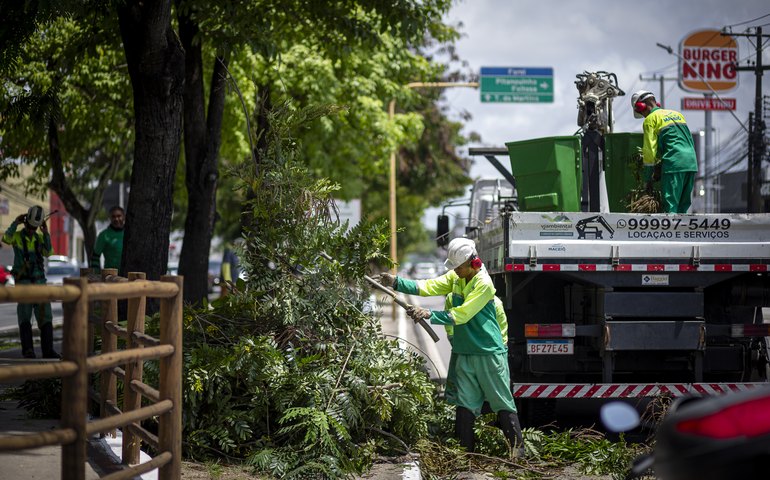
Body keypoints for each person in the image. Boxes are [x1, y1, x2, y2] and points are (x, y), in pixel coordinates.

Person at [376, 238, 523, 454]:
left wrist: (429, 313)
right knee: (465, 402)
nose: (455, 272)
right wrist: (397, 283)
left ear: (472, 263)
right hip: (465, 352)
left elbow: (462, 314)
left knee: (501, 400)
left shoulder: (483, 283)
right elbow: (429, 285)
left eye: (459, 268)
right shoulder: (457, 278)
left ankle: (518, 453)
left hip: (488, 353)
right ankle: (465, 456)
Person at [2, 206, 59, 359]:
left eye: (35, 228)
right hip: (24, 285)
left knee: (46, 317)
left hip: (40, 284)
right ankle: (28, 350)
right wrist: (15, 222)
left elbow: (49, 252)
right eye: (30, 226)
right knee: (25, 317)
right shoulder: (18, 237)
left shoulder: (39, 238)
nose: (32, 230)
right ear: (25, 222)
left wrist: (45, 232)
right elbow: (6, 239)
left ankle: (48, 351)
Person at [632, 90, 698, 213]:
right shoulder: (677, 114)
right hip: (691, 163)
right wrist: (661, 164)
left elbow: (650, 151)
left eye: (641, 113)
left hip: (674, 163)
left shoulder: (650, 119)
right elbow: (685, 140)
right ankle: (681, 232)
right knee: (682, 208)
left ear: (641, 106)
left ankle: (671, 232)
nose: (643, 116)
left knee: (670, 207)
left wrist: (647, 179)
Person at [91, 205, 125, 272]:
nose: (116, 219)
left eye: (119, 216)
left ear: (124, 217)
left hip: (129, 276)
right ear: (110, 218)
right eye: (113, 216)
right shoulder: (103, 235)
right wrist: (97, 274)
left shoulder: (130, 235)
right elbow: (95, 257)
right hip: (110, 277)